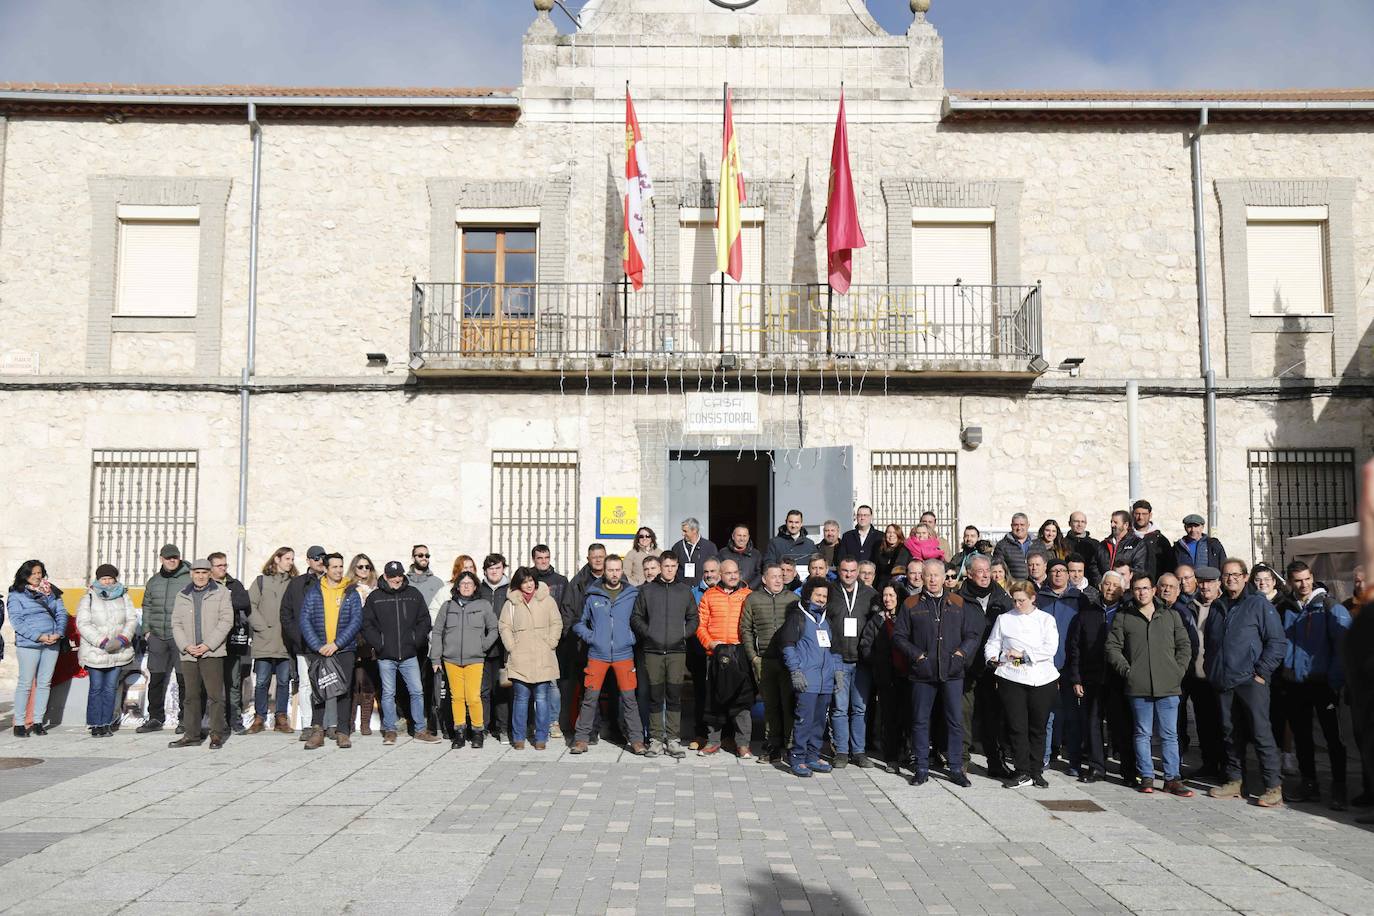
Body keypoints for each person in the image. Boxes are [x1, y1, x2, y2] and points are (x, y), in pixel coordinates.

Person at [1205, 558, 1288, 807]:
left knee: (1261, 733)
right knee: (1230, 733)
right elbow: (1210, 643)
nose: (1231, 578)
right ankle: (1235, 780)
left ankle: (1273, 785)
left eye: (1236, 574)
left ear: (1245, 577)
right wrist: (1212, 670)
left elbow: (1277, 642)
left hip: (1251, 680)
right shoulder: (1218, 606)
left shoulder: (1257, 604)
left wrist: (1261, 672)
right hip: (1224, 680)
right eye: (1226, 575)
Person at [894, 559, 981, 787]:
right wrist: (917, 656)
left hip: (952, 672)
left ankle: (955, 767)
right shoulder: (911, 604)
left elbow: (972, 635)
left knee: (954, 720)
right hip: (922, 672)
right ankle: (921, 766)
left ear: (945, 578)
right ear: (922, 577)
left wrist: (961, 655)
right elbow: (899, 636)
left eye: (937, 575)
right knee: (920, 721)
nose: (932, 580)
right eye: (928, 575)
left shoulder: (958, 602)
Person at [1106, 574, 1194, 796]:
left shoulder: (1171, 616)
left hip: (1169, 685)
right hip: (1138, 686)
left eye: (1145, 588)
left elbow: (1184, 645)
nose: (1141, 592)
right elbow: (1112, 647)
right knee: (1142, 733)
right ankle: (1146, 775)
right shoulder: (1124, 617)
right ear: (1132, 591)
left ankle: (1172, 778)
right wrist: (1128, 671)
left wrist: (1178, 671)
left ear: (1154, 590)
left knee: (1169, 734)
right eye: (1137, 588)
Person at [1281, 560, 1351, 809]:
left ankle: (1339, 787)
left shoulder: (1330, 607)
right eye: (1298, 580)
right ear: (1290, 581)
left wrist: (1334, 681)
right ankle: (1309, 783)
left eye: (1307, 579)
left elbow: (1343, 648)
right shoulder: (1286, 608)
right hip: (1295, 684)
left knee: (1333, 738)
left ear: (1313, 577)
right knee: (1302, 737)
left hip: (1323, 684)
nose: (1303, 584)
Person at [985, 581, 1059, 789]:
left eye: (1022, 601)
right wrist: (991, 657)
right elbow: (993, 642)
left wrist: (1024, 655)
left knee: (1038, 726)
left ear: (1033, 598)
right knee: (1017, 726)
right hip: (1012, 676)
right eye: (1015, 600)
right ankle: (1022, 770)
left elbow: (1050, 648)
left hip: (1041, 677)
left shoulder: (1046, 620)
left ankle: (1036, 770)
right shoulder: (1004, 619)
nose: (1018, 604)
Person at [571, 556, 645, 754]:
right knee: (590, 697)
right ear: (604, 571)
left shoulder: (632, 594)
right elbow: (579, 623)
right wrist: (592, 637)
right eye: (610, 570)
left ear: (622, 571)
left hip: (624, 654)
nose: (614, 574)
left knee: (629, 698)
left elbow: (640, 621)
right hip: (597, 654)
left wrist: (632, 638)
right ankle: (581, 740)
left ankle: (637, 740)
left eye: (617, 570)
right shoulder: (593, 595)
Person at [363, 560, 439, 746]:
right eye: (392, 576)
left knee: (417, 691)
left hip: (409, 654)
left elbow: (424, 620)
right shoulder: (375, 597)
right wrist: (379, 643)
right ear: (386, 576)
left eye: (399, 575)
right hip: (385, 655)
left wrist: (415, 640)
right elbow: (367, 624)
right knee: (388, 693)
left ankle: (420, 729)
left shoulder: (413, 595)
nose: (396, 579)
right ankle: (390, 730)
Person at [630, 552, 698, 758]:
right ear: (660, 567)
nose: (669, 570)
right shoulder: (648, 591)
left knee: (674, 697)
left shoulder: (684, 591)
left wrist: (683, 634)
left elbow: (694, 618)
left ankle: (673, 739)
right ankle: (656, 739)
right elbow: (636, 617)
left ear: (677, 567)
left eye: (673, 566)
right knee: (655, 696)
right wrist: (649, 633)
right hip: (653, 651)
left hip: (677, 651)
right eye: (666, 566)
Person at [299, 553, 363, 750]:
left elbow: (356, 621)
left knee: (343, 690)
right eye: (334, 567)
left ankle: (343, 731)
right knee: (319, 689)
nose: (338, 570)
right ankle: (317, 731)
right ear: (325, 569)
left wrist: (337, 644)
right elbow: (305, 619)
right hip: (319, 648)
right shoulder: (315, 590)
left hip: (343, 649)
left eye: (340, 567)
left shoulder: (350, 591)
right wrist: (319, 646)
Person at [169, 559, 234, 749]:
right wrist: (186, 645)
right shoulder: (182, 595)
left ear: (210, 574)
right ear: (191, 574)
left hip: (211, 653)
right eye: (197, 572)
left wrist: (208, 645)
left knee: (215, 696)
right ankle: (192, 735)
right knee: (191, 696)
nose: (200, 576)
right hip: (188, 653)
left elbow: (226, 621)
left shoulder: (221, 593)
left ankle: (216, 735)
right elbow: (176, 624)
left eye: (204, 572)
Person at [432, 570, 500, 749]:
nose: (466, 586)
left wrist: (482, 646)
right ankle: (459, 732)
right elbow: (437, 632)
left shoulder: (483, 605)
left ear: (475, 586)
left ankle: (478, 732)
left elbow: (494, 629)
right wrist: (435, 658)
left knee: (473, 697)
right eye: (463, 583)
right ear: (457, 587)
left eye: (470, 583)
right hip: (451, 659)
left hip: (475, 659)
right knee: (457, 697)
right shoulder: (447, 606)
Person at [958, 555, 1012, 777]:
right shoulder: (958, 598)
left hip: (993, 669)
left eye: (987, 570)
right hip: (967, 668)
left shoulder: (1002, 598)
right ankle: (960, 761)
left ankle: (996, 762)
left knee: (993, 717)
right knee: (963, 715)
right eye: (979, 571)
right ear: (969, 574)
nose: (985, 574)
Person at [780, 576, 839, 778]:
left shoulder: (826, 621)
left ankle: (812, 756)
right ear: (808, 595)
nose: (821, 599)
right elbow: (788, 646)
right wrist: (795, 671)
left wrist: (837, 672)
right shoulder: (798, 617)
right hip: (807, 680)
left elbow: (834, 649)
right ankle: (797, 756)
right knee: (804, 721)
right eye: (818, 595)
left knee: (819, 722)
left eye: (824, 596)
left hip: (825, 682)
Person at [741, 563, 798, 764]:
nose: (778, 579)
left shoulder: (793, 599)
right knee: (771, 706)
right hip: (764, 661)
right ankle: (772, 746)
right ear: (764, 579)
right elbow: (745, 629)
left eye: (780, 576)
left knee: (789, 704)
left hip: (787, 661)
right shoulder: (753, 599)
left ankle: (790, 746)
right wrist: (753, 657)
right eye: (773, 576)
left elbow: (801, 627)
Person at [499, 567, 562, 751]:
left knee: (542, 698)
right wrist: (512, 646)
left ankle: (541, 737)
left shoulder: (547, 600)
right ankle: (519, 737)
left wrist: (551, 642)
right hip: (520, 657)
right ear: (518, 584)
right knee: (521, 698)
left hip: (543, 656)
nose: (528, 585)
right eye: (524, 581)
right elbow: (504, 626)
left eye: (531, 580)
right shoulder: (511, 603)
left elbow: (556, 622)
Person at [696, 559, 753, 757]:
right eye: (728, 573)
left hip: (739, 652)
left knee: (741, 700)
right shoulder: (709, 596)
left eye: (736, 572)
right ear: (720, 575)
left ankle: (742, 743)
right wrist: (710, 644)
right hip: (715, 653)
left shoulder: (748, 595)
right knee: (714, 699)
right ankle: (713, 742)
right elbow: (700, 625)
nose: (733, 576)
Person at [826, 557, 877, 768]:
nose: (849, 574)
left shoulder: (870, 594)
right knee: (839, 708)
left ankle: (859, 751)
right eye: (845, 570)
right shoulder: (829, 591)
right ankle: (841, 752)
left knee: (859, 708)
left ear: (858, 572)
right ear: (839, 571)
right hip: (837, 657)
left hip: (862, 661)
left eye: (853, 571)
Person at [8, 561, 68, 737]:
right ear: (24, 575)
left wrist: (58, 633)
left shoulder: (52, 591)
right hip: (29, 644)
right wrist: (38, 636)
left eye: (39, 572)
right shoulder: (16, 594)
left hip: (52, 642)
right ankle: (19, 723)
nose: (37, 576)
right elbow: (17, 621)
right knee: (25, 684)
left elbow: (61, 613)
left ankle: (38, 721)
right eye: (33, 573)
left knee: (44, 684)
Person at [1036, 559, 1084, 774]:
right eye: (1053, 571)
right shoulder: (1039, 599)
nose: (1058, 574)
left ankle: (1073, 762)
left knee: (1072, 717)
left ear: (1068, 574)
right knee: (1046, 716)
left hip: (1070, 665)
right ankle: (1043, 758)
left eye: (1062, 571)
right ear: (1047, 574)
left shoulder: (1079, 599)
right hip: (1045, 666)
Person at [77, 564, 136, 737]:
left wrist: (122, 639)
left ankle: (106, 723)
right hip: (96, 651)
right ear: (98, 579)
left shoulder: (124, 596)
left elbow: (131, 619)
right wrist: (102, 642)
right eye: (104, 578)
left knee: (110, 688)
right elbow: (83, 624)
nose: (107, 581)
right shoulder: (88, 597)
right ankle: (95, 724)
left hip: (118, 650)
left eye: (110, 578)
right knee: (96, 687)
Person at [137, 544, 190, 734]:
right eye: (168, 558)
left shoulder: (189, 578)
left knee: (185, 678)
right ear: (161, 559)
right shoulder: (154, 581)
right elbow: (147, 606)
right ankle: (155, 717)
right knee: (156, 678)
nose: (172, 560)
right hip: (158, 636)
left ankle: (185, 720)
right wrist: (147, 631)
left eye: (175, 557)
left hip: (180, 636)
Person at [1180, 566, 1225, 781]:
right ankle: (1209, 764)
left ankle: (1228, 768)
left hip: (1219, 676)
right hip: (1196, 675)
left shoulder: (1224, 607)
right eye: (1202, 582)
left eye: (1210, 582)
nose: (1205, 586)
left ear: (1219, 584)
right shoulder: (1190, 605)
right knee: (1204, 724)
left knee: (1224, 724)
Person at [860, 584, 909, 773]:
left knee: (908, 716)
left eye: (891, 595)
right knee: (889, 718)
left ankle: (908, 752)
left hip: (906, 675)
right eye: (885, 595)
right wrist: (878, 663)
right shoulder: (876, 620)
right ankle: (891, 757)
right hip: (886, 676)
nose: (887, 599)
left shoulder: (906, 617)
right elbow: (866, 645)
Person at [247, 547, 296, 734]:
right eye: (287, 558)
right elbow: (250, 605)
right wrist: (261, 627)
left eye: (292, 559)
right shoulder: (261, 581)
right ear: (276, 559)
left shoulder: (293, 583)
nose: (290, 562)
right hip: (264, 639)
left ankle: (281, 717)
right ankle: (259, 717)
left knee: (284, 681)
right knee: (262, 681)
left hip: (285, 640)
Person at [561, 543, 607, 738]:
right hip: (584, 645)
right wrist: (574, 638)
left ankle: (614, 729)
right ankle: (589, 730)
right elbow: (568, 613)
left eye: (601, 556)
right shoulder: (577, 582)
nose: (598, 559)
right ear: (588, 558)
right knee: (588, 689)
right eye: (594, 556)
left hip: (611, 644)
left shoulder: (617, 577)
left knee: (612, 689)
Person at [281, 545, 327, 740]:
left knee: (327, 684)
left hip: (327, 644)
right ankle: (308, 724)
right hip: (303, 644)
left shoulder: (331, 582)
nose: (319, 561)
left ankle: (326, 724)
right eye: (315, 558)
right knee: (306, 684)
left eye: (322, 557)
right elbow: (286, 613)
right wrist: (297, 636)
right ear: (308, 560)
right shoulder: (297, 584)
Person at [208, 552, 252, 736]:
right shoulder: (205, 585)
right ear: (211, 568)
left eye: (225, 565)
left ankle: (235, 719)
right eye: (219, 565)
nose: (223, 568)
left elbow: (243, 602)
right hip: (211, 642)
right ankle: (218, 721)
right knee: (214, 684)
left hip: (232, 641)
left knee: (233, 682)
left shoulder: (235, 584)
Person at [530, 544, 569, 737]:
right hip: (529, 641)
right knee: (529, 684)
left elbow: (565, 610)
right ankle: (534, 722)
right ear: (534, 559)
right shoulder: (527, 579)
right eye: (539, 558)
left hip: (551, 641)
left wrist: (557, 638)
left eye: (546, 557)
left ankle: (553, 722)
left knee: (552, 683)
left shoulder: (561, 581)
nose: (543, 561)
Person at [478, 553, 511, 742]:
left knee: (502, 689)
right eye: (491, 568)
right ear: (485, 571)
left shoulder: (510, 589)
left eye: (498, 568)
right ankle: (482, 726)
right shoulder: (479, 589)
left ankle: (503, 728)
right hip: (482, 648)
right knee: (483, 690)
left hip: (503, 649)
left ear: (503, 569)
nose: (494, 572)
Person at [348, 554, 381, 736]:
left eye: (367, 567)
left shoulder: (375, 589)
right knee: (354, 682)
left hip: (370, 640)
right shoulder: (349, 588)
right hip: (352, 638)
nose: (363, 570)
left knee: (368, 681)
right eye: (360, 567)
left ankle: (365, 723)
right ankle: (350, 722)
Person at [1091, 511, 1146, 584]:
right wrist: (1100, 582)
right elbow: (1094, 565)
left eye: (1115, 522)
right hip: (1105, 589)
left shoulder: (1137, 544)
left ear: (1126, 525)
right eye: (1111, 522)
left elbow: (1139, 569)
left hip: (1126, 589)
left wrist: (1121, 583)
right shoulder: (1103, 544)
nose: (1112, 525)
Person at [1130, 499, 1175, 579]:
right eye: (1137, 514)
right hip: (1131, 585)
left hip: (1154, 585)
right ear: (1132, 514)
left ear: (1150, 515)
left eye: (1144, 514)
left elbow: (1169, 566)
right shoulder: (1126, 537)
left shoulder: (1160, 540)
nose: (1140, 517)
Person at [671, 518, 718, 587]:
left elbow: (715, 569)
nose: (682, 534)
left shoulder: (709, 547)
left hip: (703, 589)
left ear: (694, 530)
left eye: (685, 531)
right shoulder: (677, 547)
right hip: (682, 589)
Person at [992, 514, 1033, 582]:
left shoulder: (1037, 544)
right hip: (1012, 587)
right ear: (1011, 526)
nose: (1019, 528)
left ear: (1028, 525)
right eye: (1016, 525)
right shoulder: (1002, 545)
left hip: (1035, 588)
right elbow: (997, 569)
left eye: (1022, 524)